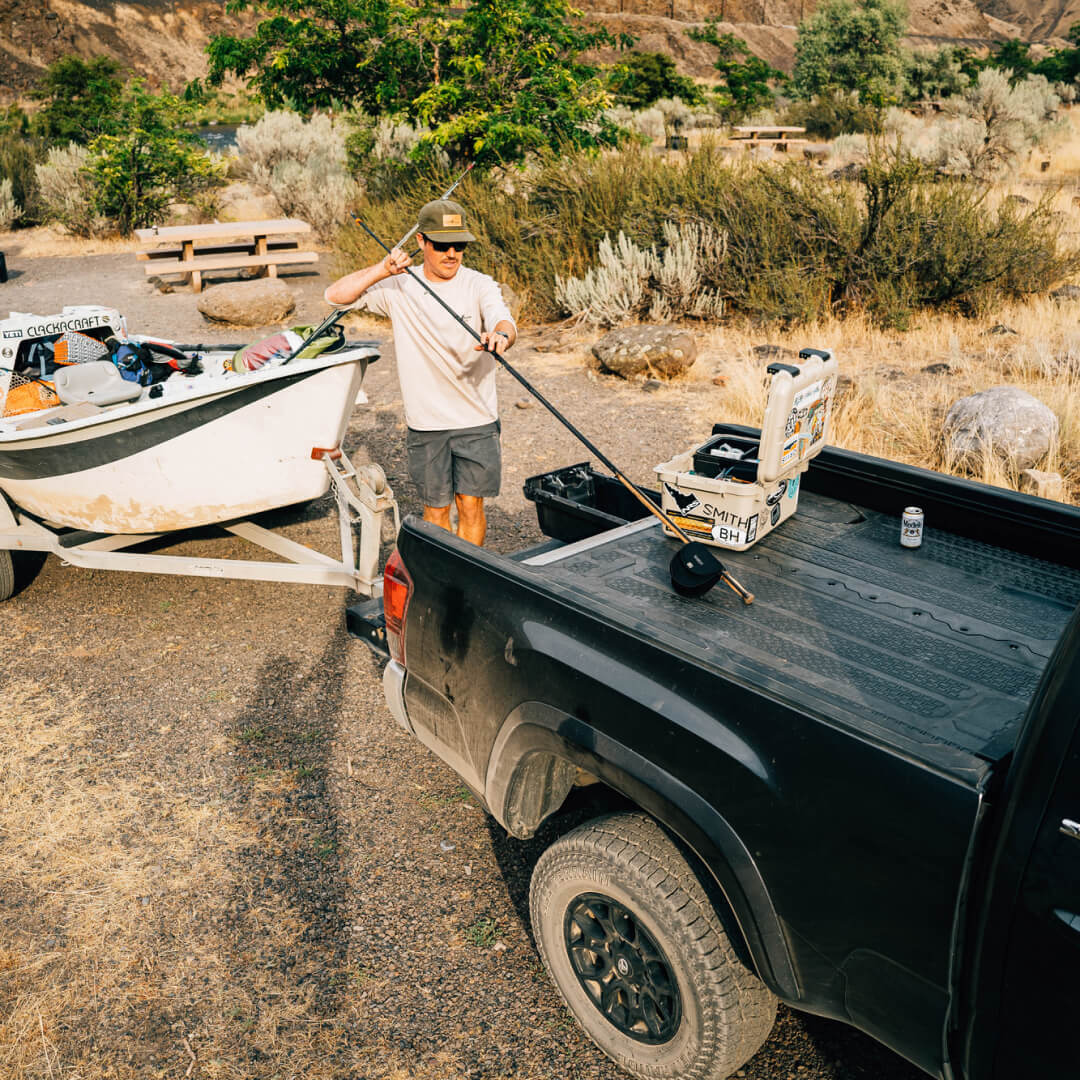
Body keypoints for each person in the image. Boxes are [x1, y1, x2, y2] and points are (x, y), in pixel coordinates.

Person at [325, 199, 516, 546]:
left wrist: (500, 335)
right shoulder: (399, 286)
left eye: (460, 245)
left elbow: (503, 319)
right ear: (421, 242)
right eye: (442, 245)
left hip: (477, 417)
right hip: (427, 424)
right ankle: (441, 582)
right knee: (436, 511)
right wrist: (382, 270)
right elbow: (335, 296)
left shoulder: (478, 284)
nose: (452, 253)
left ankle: (466, 579)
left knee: (471, 507)